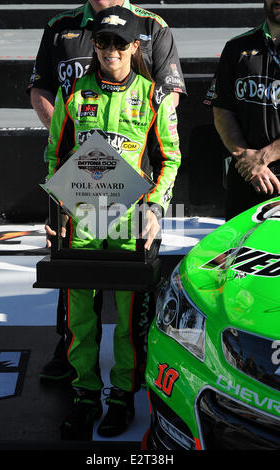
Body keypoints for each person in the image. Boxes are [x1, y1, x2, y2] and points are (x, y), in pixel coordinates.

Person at [28, 0, 186, 381]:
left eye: (119, 43)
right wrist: (58, 212)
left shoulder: (152, 97)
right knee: (79, 311)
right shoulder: (75, 94)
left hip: (129, 218)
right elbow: (55, 155)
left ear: (135, 46)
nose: (110, 51)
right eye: (102, 43)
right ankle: (83, 389)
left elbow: (169, 159)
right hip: (81, 216)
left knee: (132, 317)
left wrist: (155, 209)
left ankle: (122, 393)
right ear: (93, 45)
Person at [204, 0, 280, 221]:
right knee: (237, 252)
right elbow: (221, 109)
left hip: (258, 166)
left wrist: (263, 158)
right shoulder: (237, 47)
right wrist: (245, 157)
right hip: (246, 174)